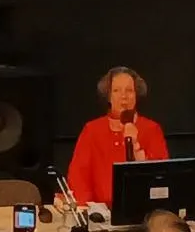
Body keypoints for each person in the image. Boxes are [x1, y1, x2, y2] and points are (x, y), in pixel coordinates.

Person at [67, 66, 169, 206]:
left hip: (144, 208)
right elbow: (78, 176)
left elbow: (161, 175)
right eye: (116, 90)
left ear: (136, 95)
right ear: (108, 96)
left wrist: (136, 146)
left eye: (129, 90)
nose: (123, 96)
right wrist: (90, 209)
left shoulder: (151, 129)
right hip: (100, 211)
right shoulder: (92, 130)